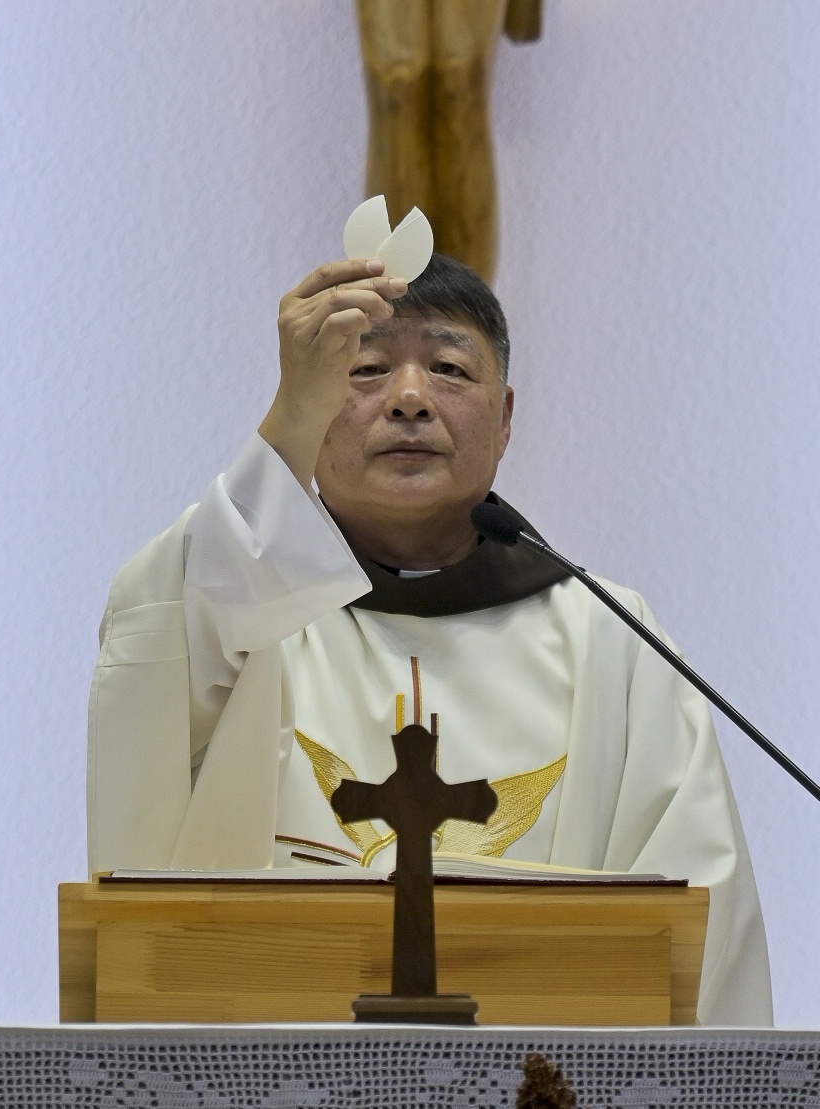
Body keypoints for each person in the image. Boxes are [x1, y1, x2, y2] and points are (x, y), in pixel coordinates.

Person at [87, 252, 773, 1025]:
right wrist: (287, 422)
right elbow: (158, 640)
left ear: (505, 418)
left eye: (448, 368)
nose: (410, 398)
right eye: (365, 369)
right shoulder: (238, 613)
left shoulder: (614, 640)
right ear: (310, 405)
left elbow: (698, 939)